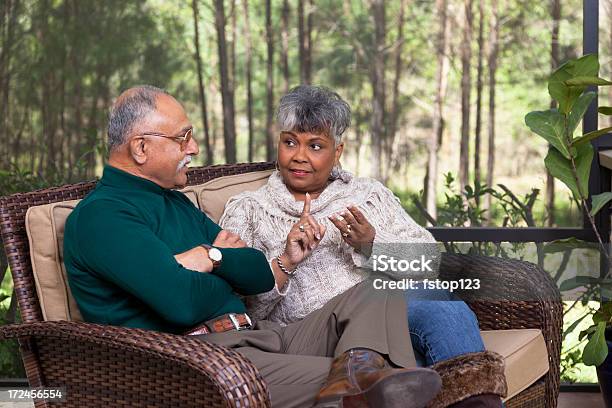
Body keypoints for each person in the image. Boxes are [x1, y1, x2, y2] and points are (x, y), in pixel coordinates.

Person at [63, 85, 443, 408]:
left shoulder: (174, 202)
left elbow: (256, 270)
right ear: (141, 148)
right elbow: (183, 304)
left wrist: (210, 258)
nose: (193, 147)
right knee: (385, 382)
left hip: (258, 336)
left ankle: (357, 375)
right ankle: (362, 385)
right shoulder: (105, 217)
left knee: (377, 292)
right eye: (183, 137)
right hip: (206, 362)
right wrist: (220, 266)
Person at [220, 85, 507, 408]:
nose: (299, 156)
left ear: (338, 151)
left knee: (440, 308)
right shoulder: (249, 210)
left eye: (315, 146)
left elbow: (428, 265)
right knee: (441, 311)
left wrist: (372, 246)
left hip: (391, 315)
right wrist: (287, 261)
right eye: (290, 143)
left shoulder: (367, 195)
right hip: (317, 334)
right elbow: (243, 312)